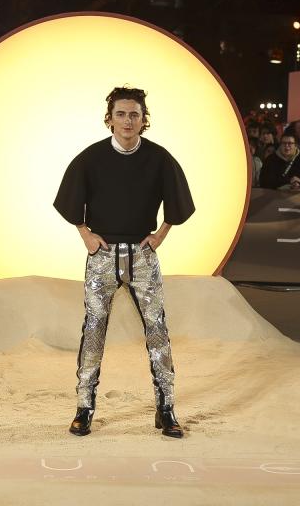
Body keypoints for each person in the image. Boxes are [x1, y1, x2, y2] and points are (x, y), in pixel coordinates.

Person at [54, 86, 194, 439]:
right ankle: (84, 408)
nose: (128, 120)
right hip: (102, 257)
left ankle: (166, 409)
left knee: (157, 330)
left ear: (144, 120)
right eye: (121, 114)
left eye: (134, 114)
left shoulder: (160, 158)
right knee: (93, 330)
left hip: (142, 256)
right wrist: (84, 232)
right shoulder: (91, 158)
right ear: (110, 119)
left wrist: (162, 233)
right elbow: (70, 199)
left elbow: (179, 201)